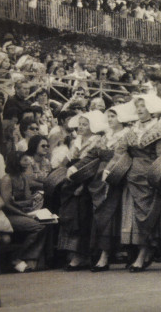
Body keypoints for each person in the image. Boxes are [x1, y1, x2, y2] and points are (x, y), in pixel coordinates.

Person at [104, 94, 161, 272]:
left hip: (149, 178)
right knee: (131, 218)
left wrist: (157, 178)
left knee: (147, 217)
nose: (140, 109)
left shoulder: (159, 130)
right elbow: (120, 153)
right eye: (138, 106)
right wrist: (109, 168)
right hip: (131, 177)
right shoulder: (132, 130)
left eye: (143, 106)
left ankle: (143, 254)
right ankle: (136, 254)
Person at [67, 105, 131, 272]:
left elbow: (121, 156)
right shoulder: (105, 137)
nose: (110, 120)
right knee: (93, 215)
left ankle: (105, 256)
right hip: (97, 178)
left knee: (108, 216)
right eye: (108, 117)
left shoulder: (126, 135)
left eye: (113, 116)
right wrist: (76, 167)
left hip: (114, 178)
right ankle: (89, 254)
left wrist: (110, 169)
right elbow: (92, 154)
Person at [58, 110, 107, 270]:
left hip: (87, 183)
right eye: (80, 124)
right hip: (72, 182)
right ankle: (72, 253)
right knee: (71, 216)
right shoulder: (76, 140)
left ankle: (83, 254)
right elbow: (69, 162)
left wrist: (82, 185)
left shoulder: (97, 141)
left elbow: (92, 166)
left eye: (85, 124)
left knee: (83, 218)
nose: (81, 127)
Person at [0, 152, 48, 272]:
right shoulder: (6, 179)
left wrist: (17, 203)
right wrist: (22, 211)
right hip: (10, 216)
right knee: (38, 227)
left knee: (49, 223)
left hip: (22, 212)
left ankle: (34, 259)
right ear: (17, 162)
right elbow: (6, 205)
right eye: (25, 160)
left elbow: (29, 200)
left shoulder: (23, 178)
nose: (28, 163)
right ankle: (19, 256)